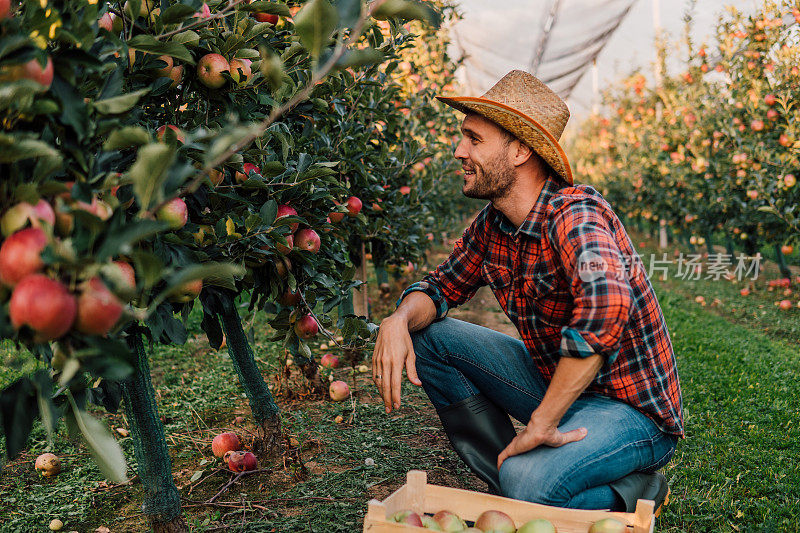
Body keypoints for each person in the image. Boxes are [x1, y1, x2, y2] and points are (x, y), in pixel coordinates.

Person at [371, 70, 683, 513]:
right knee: (430, 337)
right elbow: (440, 288)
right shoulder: (492, 227)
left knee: (528, 482)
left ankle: (635, 489)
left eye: (474, 139)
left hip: (630, 410)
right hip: (559, 382)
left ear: (520, 150)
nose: (459, 151)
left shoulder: (576, 215)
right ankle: (515, 469)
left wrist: (542, 419)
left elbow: (608, 306)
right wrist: (398, 319)